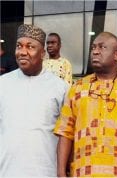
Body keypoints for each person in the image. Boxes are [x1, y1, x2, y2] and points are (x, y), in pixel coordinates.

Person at [53, 32, 117, 177]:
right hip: (83, 172)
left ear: (116, 55)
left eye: (102, 47)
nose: (95, 51)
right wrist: (61, 173)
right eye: (93, 47)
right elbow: (65, 133)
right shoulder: (77, 89)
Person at [0, 24, 68, 176]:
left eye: (30, 47)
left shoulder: (60, 88)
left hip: (46, 172)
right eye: (19, 46)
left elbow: (67, 136)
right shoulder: (2, 84)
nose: (22, 52)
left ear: (43, 53)